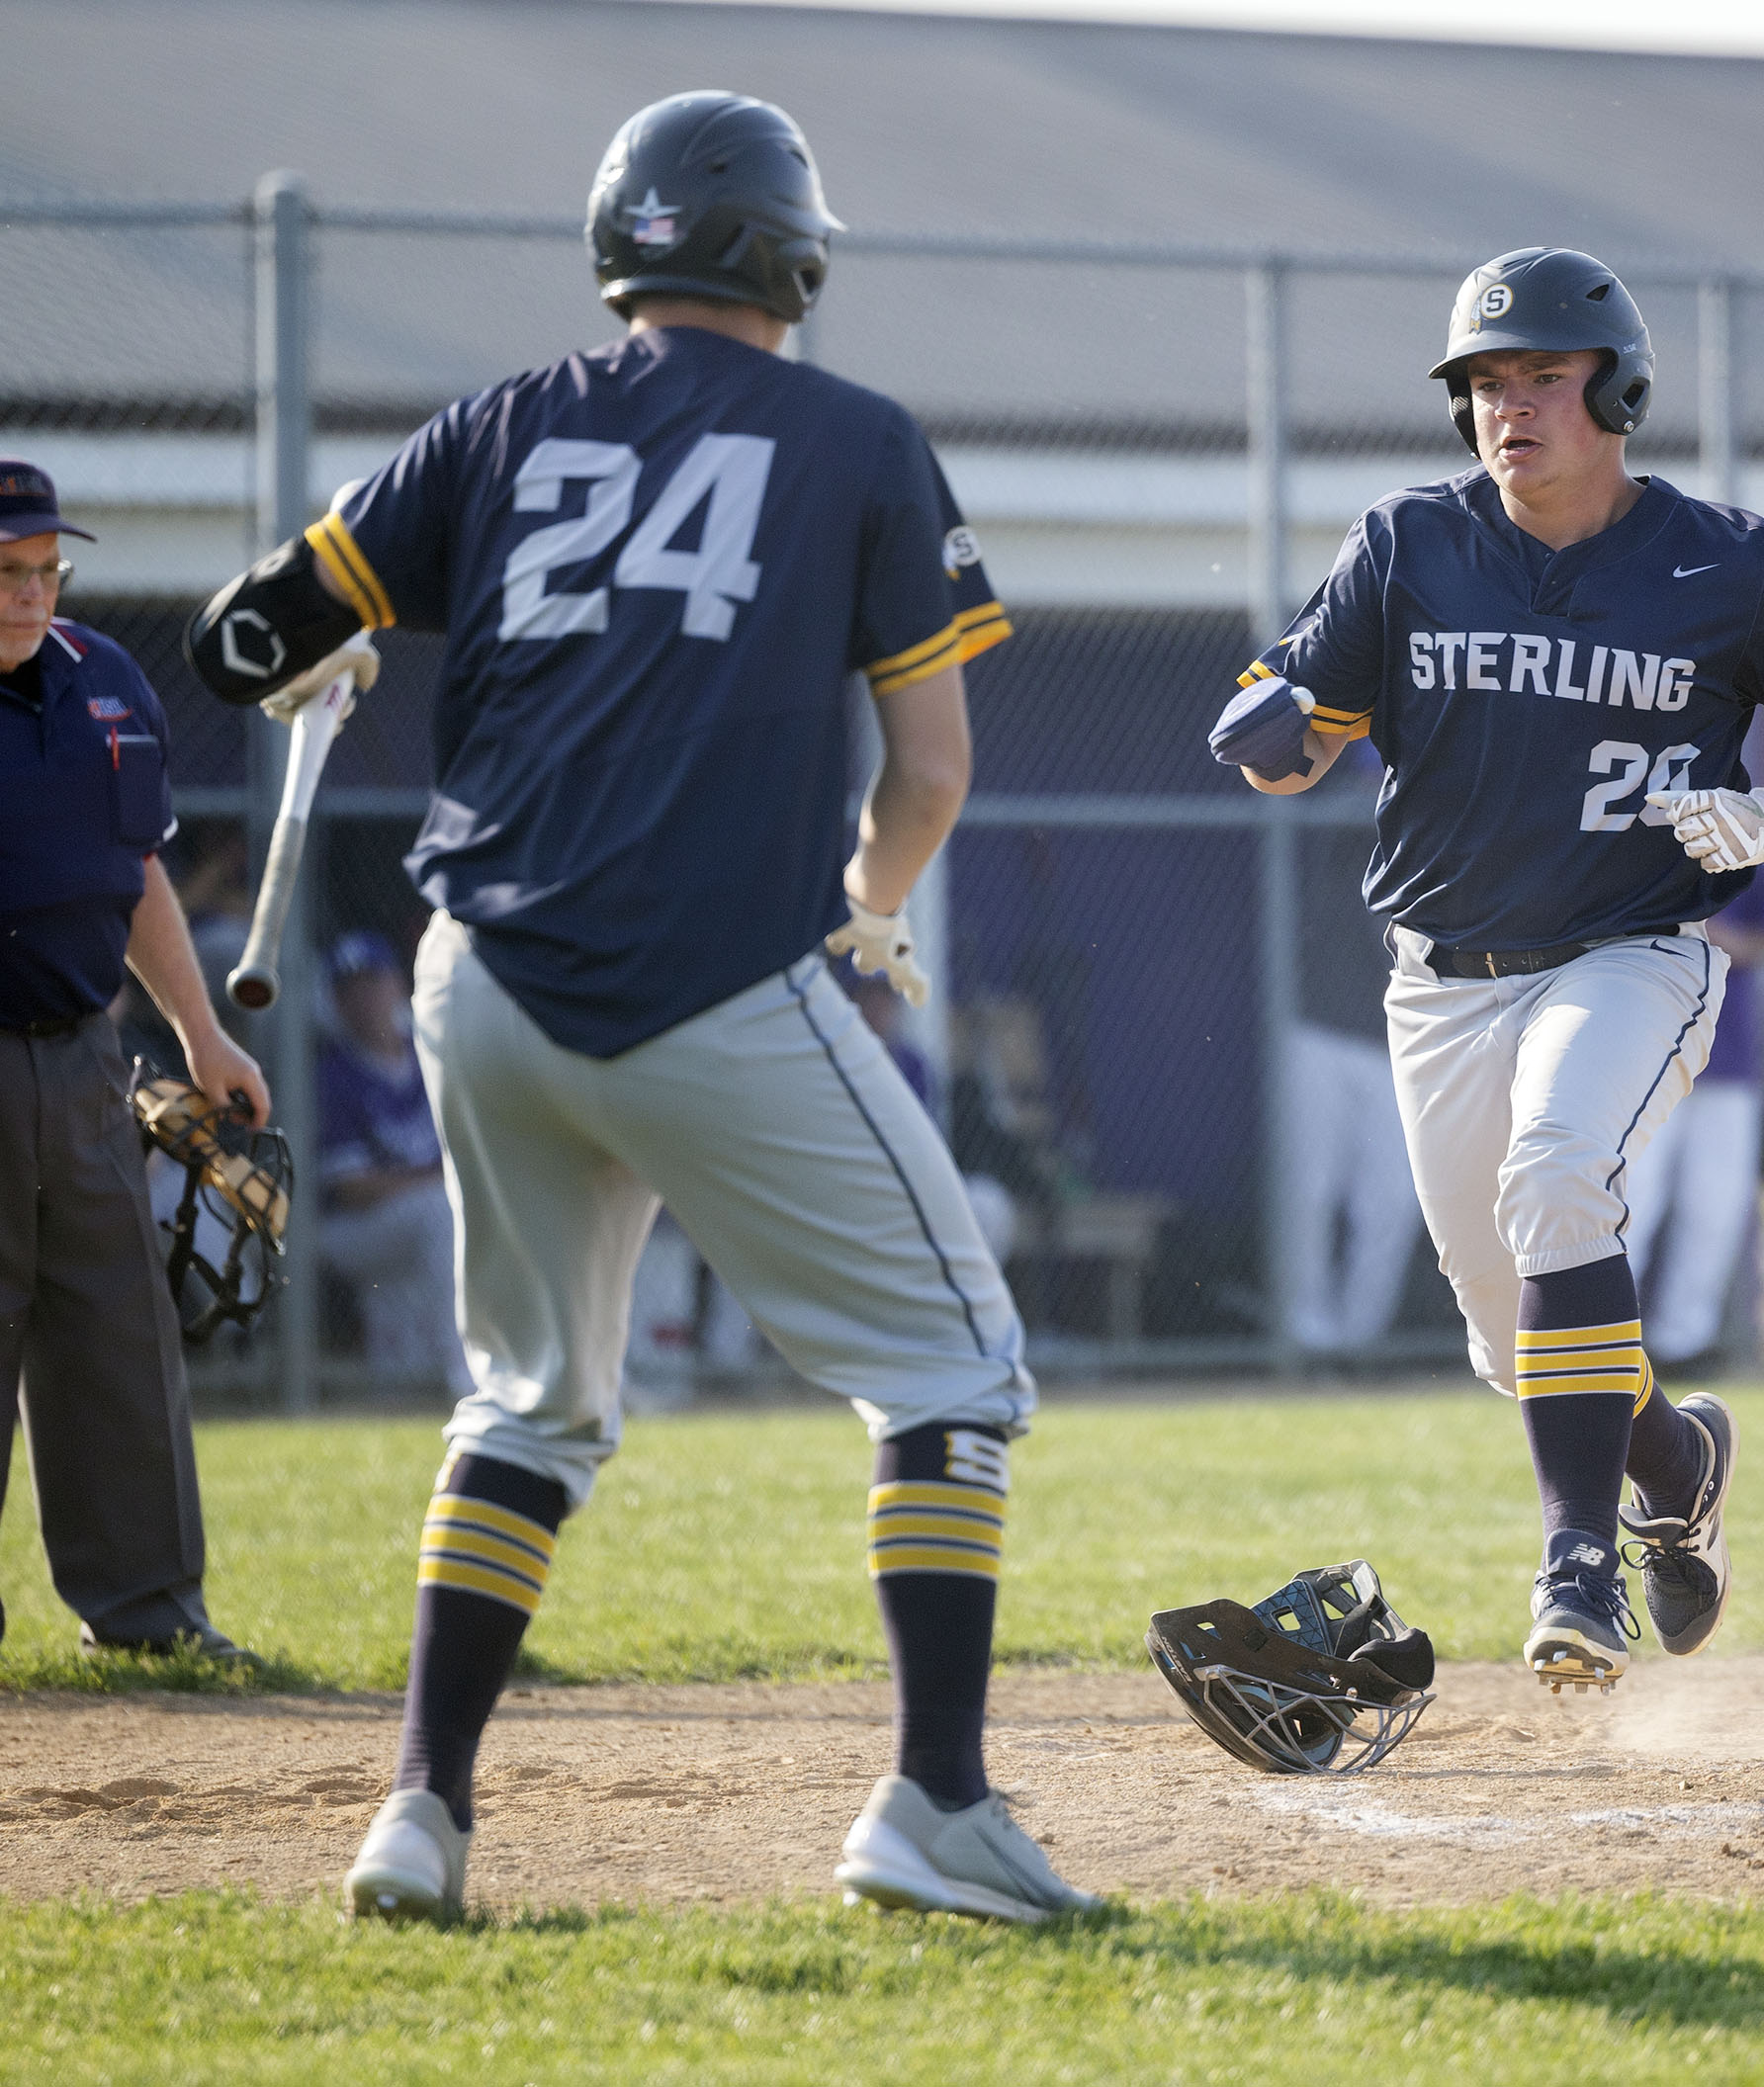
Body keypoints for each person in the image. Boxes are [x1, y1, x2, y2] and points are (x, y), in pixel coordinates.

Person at [187, 93, 1088, 1923]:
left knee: (524, 1401)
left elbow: (241, 641)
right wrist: (874, 915)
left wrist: (337, 647)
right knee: (953, 1371)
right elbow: (927, 768)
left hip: (483, 981)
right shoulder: (857, 441)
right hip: (709, 973)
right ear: (793, 255)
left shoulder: (498, 421)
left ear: (621, 245)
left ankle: (420, 1814)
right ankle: (935, 1800)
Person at [1208, 248, 1764, 1692]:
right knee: (1509, 1331)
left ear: (1616, 387)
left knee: (1554, 1170)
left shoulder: (1733, 559)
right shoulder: (1407, 542)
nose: (1504, 405)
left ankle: (1574, 1563)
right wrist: (1269, 730)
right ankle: (1671, 1451)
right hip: (1440, 979)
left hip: (1629, 950)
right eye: (1480, 381)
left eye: (1537, 374)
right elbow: (1291, 736)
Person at [0, 460, 263, 1660]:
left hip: (86, 1059)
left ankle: (151, 1615)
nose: (30, 595)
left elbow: (140, 866)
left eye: (46, 571)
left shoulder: (104, 680)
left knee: (116, 1328)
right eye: (6, 573)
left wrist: (201, 1034)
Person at [1622, 870, 1764, 1372]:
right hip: (1643, 1055)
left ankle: (1682, 1341)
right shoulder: (1630, 844)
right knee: (1631, 1202)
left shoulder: (1740, 845)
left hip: (1727, 1056)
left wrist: (1725, 942)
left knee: (1715, 1204)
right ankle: (1603, 1340)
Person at [1279, 816, 1428, 1357]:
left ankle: (1357, 1344)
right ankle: (1304, 1335)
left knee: (1393, 1198)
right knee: (1308, 1186)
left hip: (1402, 1041)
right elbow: (1345, 797)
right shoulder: (1350, 815)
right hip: (1320, 1028)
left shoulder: (1459, 817)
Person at [317, 930, 472, 1399]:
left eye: (373, 982)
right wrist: (444, 1178)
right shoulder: (331, 1074)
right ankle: (468, 1380)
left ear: (398, 986)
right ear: (336, 1002)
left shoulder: (433, 1052)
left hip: (424, 1214)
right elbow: (350, 1190)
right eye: (350, 988)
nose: (364, 997)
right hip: (347, 1229)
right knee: (441, 1208)